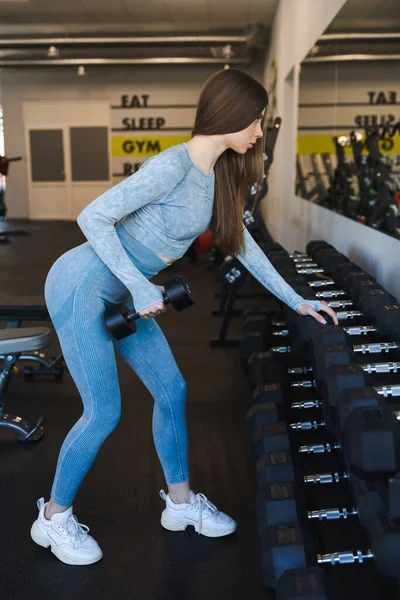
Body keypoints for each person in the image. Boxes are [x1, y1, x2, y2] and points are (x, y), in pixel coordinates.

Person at [30, 68, 338, 566]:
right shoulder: (171, 166)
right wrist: (136, 284)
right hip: (83, 283)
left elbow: (246, 246)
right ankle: (53, 517)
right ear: (231, 115)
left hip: (126, 291)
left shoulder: (216, 176)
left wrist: (296, 299)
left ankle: (179, 505)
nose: (260, 131)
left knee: (170, 389)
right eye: (255, 121)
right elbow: (93, 217)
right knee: (103, 410)